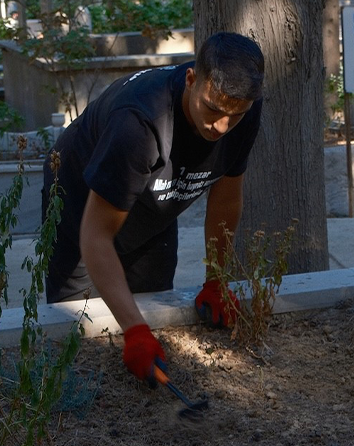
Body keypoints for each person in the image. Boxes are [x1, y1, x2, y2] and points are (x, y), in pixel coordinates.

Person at [41, 31, 264, 383]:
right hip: (81, 197)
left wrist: (217, 280)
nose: (221, 126)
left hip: (153, 201)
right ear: (192, 79)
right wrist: (135, 332)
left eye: (234, 117)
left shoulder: (242, 107)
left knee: (152, 297)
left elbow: (225, 200)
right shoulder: (140, 122)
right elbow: (96, 236)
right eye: (213, 109)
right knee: (80, 323)